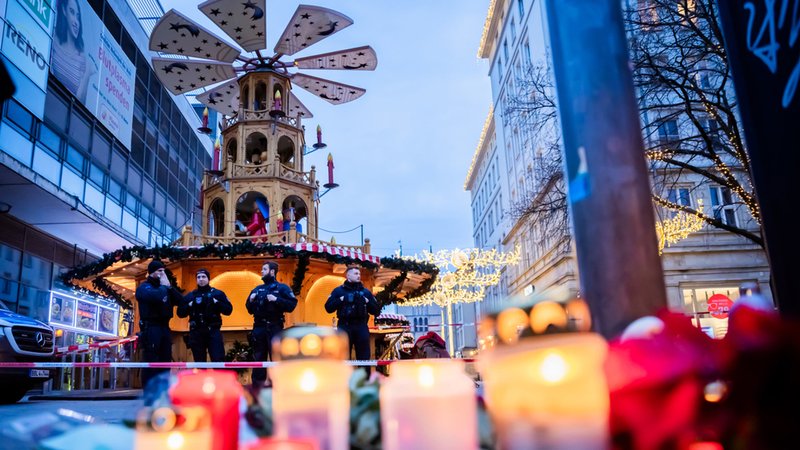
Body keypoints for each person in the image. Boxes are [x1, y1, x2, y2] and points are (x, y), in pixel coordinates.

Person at [246, 261, 297, 386]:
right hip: (259, 328)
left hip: (275, 327)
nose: (262, 271)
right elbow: (249, 309)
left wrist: (277, 300)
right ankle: (257, 389)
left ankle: (279, 387)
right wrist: (251, 301)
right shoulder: (257, 289)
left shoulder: (282, 288)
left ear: (272, 272)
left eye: (264, 269)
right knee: (258, 359)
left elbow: (292, 305)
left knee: (277, 358)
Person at [135, 260, 182, 389]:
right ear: (151, 273)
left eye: (163, 271)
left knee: (165, 359)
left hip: (165, 327)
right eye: (159, 271)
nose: (162, 274)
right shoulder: (144, 288)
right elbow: (156, 297)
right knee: (151, 359)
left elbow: (180, 300)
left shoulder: (165, 287)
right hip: (151, 327)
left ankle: (163, 390)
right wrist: (164, 286)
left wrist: (170, 287)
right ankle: (149, 391)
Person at [325, 266, 381, 367]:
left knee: (364, 357)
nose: (358, 276)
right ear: (348, 275)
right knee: (343, 356)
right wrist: (341, 299)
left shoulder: (366, 292)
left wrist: (367, 302)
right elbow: (328, 308)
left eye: (359, 274)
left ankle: (364, 380)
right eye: (355, 274)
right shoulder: (339, 291)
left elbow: (376, 311)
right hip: (344, 326)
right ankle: (345, 380)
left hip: (361, 326)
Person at [177, 269, 233, 362]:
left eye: (203, 277)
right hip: (196, 332)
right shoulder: (191, 296)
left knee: (218, 360)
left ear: (208, 279)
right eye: (198, 277)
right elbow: (180, 313)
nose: (201, 279)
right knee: (200, 363)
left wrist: (217, 303)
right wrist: (190, 305)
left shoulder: (217, 294)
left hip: (213, 331)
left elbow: (228, 310)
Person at [51, 0, 96, 103]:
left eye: (78, 16)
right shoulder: (53, 37)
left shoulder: (82, 59)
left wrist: (87, 73)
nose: (76, 22)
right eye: (72, 12)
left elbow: (80, 102)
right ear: (64, 10)